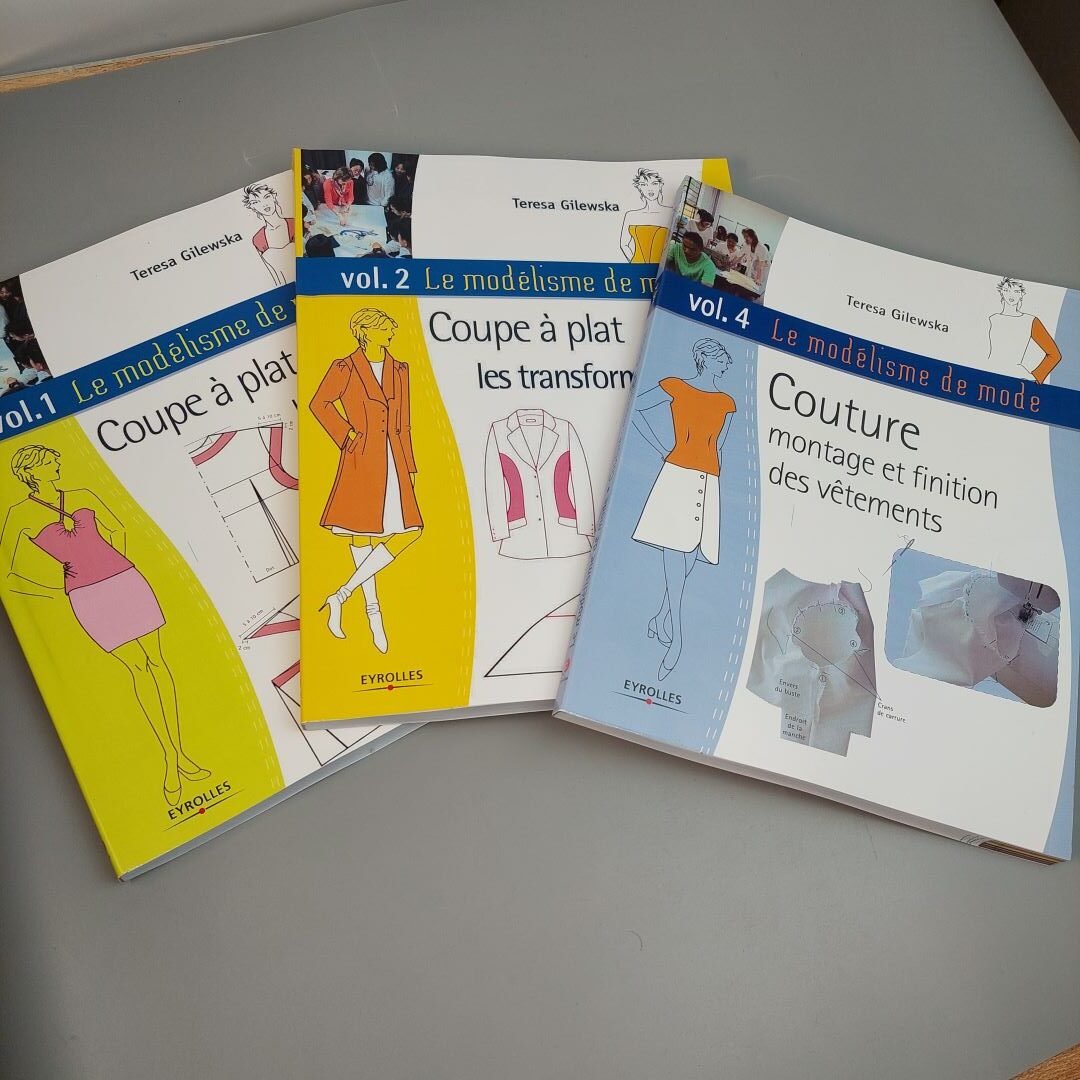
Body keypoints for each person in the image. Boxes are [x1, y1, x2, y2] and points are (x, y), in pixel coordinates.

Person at [1, 445, 209, 805]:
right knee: (139, 669)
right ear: (32, 471)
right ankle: (172, 760)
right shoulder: (20, 514)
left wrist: (112, 564)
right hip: (87, 597)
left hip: (126, 581)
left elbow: (117, 528)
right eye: (49, 461)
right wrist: (54, 587)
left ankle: (179, 758)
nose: (57, 462)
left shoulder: (81, 494)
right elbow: (9, 571)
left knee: (158, 663)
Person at [308, 308, 423, 651]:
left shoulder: (400, 369)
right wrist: (346, 436)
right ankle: (374, 615)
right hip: (361, 460)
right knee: (362, 537)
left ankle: (341, 595)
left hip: (394, 459)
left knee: (411, 531)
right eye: (385, 329)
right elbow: (319, 403)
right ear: (366, 332)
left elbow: (404, 423)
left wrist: (410, 466)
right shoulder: (345, 367)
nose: (391, 333)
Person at [630, 339, 737, 680]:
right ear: (705, 360)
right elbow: (637, 409)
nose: (726, 366)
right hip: (678, 474)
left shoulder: (726, 402)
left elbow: (719, 447)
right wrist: (662, 448)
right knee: (676, 549)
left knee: (690, 552)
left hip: (709, 480)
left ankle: (659, 617)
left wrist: (715, 479)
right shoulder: (675, 386)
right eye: (722, 360)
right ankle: (676, 636)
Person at [987, 277, 1062, 383]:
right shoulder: (993, 318)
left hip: (1016, 376)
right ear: (1001, 292)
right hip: (989, 372)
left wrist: (1037, 377)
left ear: (1022, 294)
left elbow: (1055, 355)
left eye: (1016, 291)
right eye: (1007, 290)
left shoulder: (1030, 320)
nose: (1011, 295)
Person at [242, 183, 295, 286]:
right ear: (252, 207)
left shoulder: (294, 223)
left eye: (266, 197)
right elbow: (271, 273)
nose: (264, 204)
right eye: (256, 202)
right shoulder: (258, 239)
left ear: (273, 197)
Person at [619, 167, 672, 263]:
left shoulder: (671, 212)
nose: (650, 189)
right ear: (639, 188)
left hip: (661, 268)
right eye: (644, 185)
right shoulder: (630, 215)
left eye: (654, 183)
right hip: (636, 266)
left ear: (660, 185)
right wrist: (634, 262)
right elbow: (624, 244)